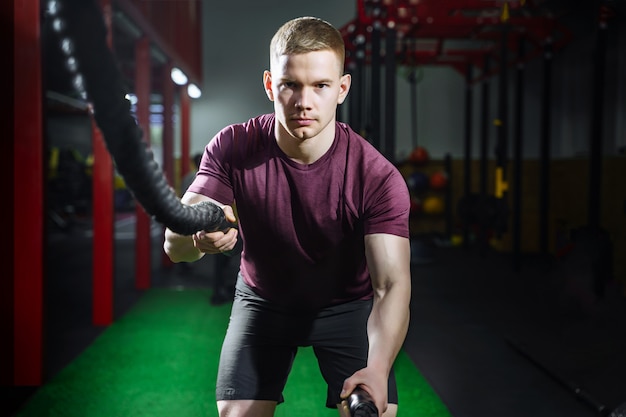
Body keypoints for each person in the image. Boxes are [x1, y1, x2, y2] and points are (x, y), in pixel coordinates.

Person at [164, 16, 411, 417]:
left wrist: (378, 368)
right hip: (264, 301)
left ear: (342, 89)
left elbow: (392, 285)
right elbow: (175, 249)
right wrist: (195, 239)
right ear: (269, 85)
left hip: (346, 307)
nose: (304, 102)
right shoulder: (233, 147)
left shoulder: (376, 175)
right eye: (290, 84)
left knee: (375, 412)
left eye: (321, 85)